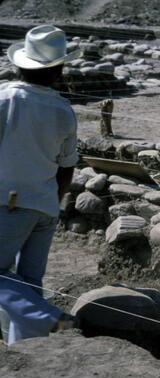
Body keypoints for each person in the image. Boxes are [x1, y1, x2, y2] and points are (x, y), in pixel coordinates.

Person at [0, 25, 82, 344]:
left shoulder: (5, 98)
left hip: (9, 202)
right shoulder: (64, 111)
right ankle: (27, 351)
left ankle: (52, 318)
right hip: (46, 204)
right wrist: (52, 202)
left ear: (20, 65)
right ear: (59, 70)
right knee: (30, 284)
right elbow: (66, 167)